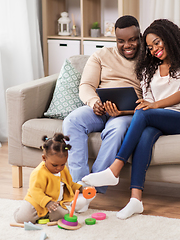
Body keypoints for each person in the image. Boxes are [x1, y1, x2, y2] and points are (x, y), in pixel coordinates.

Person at [82, 19, 180, 219]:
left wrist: (154, 106)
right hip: (158, 119)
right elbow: (145, 105)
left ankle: (114, 169)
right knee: (145, 135)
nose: (154, 49)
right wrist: (123, 113)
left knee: (145, 114)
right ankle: (136, 200)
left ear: (169, 38)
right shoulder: (149, 69)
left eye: (157, 42)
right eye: (149, 47)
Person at [62, 15, 142, 194]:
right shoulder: (101, 55)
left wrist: (123, 111)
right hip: (100, 108)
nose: (127, 46)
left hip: (127, 112)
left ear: (140, 36)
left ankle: (93, 187)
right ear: (115, 39)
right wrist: (94, 102)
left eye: (132, 40)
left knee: (117, 130)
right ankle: (78, 184)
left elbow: (152, 96)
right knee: (72, 121)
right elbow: (86, 86)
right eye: (121, 41)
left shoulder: (148, 59)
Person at [14, 133, 93, 224]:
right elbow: (35, 191)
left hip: (54, 203)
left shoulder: (63, 171)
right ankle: (21, 210)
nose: (59, 168)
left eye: (63, 164)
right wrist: (47, 202)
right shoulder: (39, 173)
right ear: (44, 158)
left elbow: (70, 184)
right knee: (22, 219)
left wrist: (81, 188)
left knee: (65, 215)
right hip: (37, 202)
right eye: (54, 165)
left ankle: (46, 215)